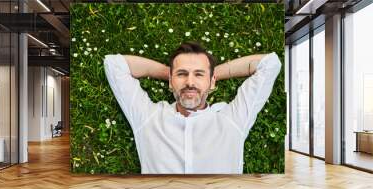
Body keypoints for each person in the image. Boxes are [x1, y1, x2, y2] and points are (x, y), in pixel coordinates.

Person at [103, 41, 281, 174]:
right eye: (182, 74)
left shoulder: (233, 119)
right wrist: (171, 75)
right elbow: (113, 64)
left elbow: (270, 63)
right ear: (170, 81)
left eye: (198, 74)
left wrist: (212, 74)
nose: (189, 82)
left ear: (212, 82)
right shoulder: (148, 117)